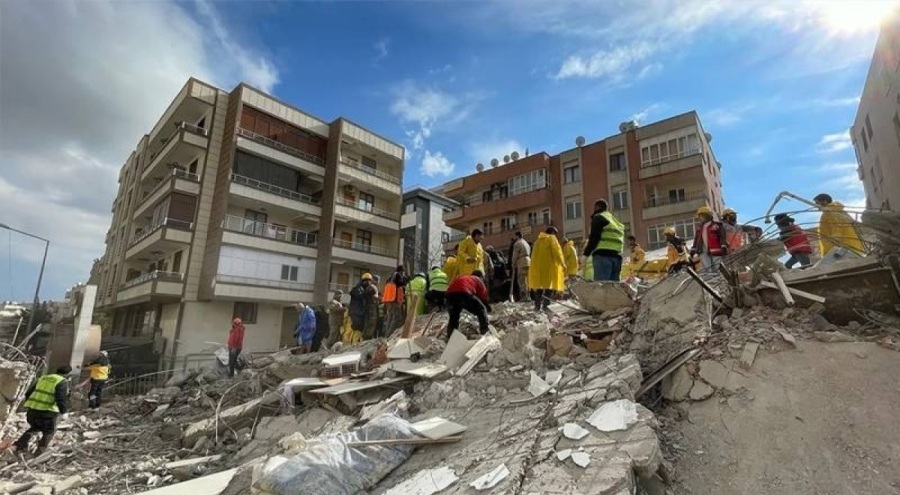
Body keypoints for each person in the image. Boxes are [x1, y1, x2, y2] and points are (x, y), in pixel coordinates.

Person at [14, 365, 71, 456]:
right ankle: (39, 453)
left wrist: (32, 404)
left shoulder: (43, 378)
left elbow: (29, 393)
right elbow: (61, 398)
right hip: (48, 412)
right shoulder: (62, 382)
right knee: (49, 432)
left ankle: (19, 447)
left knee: (34, 428)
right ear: (67, 374)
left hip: (32, 410)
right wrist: (63, 411)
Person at [583, 199, 625, 281]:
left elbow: (594, 237)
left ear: (597, 207)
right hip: (616, 258)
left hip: (603, 257)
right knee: (614, 289)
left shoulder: (598, 217)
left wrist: (586, 254)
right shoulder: (613, 220)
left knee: (602, 288)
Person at [445, 271, 492, 341]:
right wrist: (488, 308)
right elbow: (484, 297)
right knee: (482, 309)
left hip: (449, 295)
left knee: (454, 317)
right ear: (481, 277)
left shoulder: (465, 277)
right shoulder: (478, 280)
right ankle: (485, 331)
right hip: (464, 293)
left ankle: (450, 337)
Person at [529, 227, 566, 312]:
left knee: (539, 287)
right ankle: (546, 306)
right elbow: (557, 252)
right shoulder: (551, 239)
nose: (556, 236)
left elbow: (533, 256)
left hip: (538, 269)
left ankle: (537, 306)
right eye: (555, 234)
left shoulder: (537, 241)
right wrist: (562, 263)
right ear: (552, 232)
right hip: (548, 268)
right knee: (549, 287)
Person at [692, 206, 727, 273]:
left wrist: (723, 245)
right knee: (707, 269)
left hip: (716, 250)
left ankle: (721, 281)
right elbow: (696, 240)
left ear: (706, 215)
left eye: (700, 216)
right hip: (703, 251)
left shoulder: (717, 225)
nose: (699, 218)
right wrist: (693, 250)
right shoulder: (699, 228)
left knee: (719, 268)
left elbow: (722, 237)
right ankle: (711, 281)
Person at [382, 266, 408, 333]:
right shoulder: (397, 275)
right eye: (402, 272)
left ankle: (387, 333)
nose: (403, 274)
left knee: (390, 317)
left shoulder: (390, 278)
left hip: (388, 300)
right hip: (394, 300)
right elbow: (400, 284)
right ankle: (389, 334)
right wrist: (406, 280)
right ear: (401, 271)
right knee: (396, 317)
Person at [509, 231, 531, 301]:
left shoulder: (517, 243)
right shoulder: (526, 243)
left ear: (517, 236)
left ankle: (524, 296)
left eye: (515, 236)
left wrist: (513, 263)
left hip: (521, 261)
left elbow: (515, 255)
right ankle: (528, 295)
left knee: (521, 279)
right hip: (528, 261)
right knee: (527, 279)